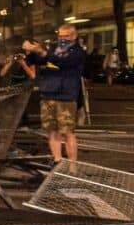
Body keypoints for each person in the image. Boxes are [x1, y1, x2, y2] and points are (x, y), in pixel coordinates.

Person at [23, 24, 86, 164]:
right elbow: (36, 61)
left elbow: (62, 63)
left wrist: (43, 52)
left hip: (66, 96)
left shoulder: (78, 52)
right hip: (48, 94)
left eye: (66, 36)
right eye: (60, 36)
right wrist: (31, 51)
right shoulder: (54, 50)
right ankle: (57, 160)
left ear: (74, 36)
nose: (62, 39)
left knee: (68, 132)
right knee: (52, 131)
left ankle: (72, 164)